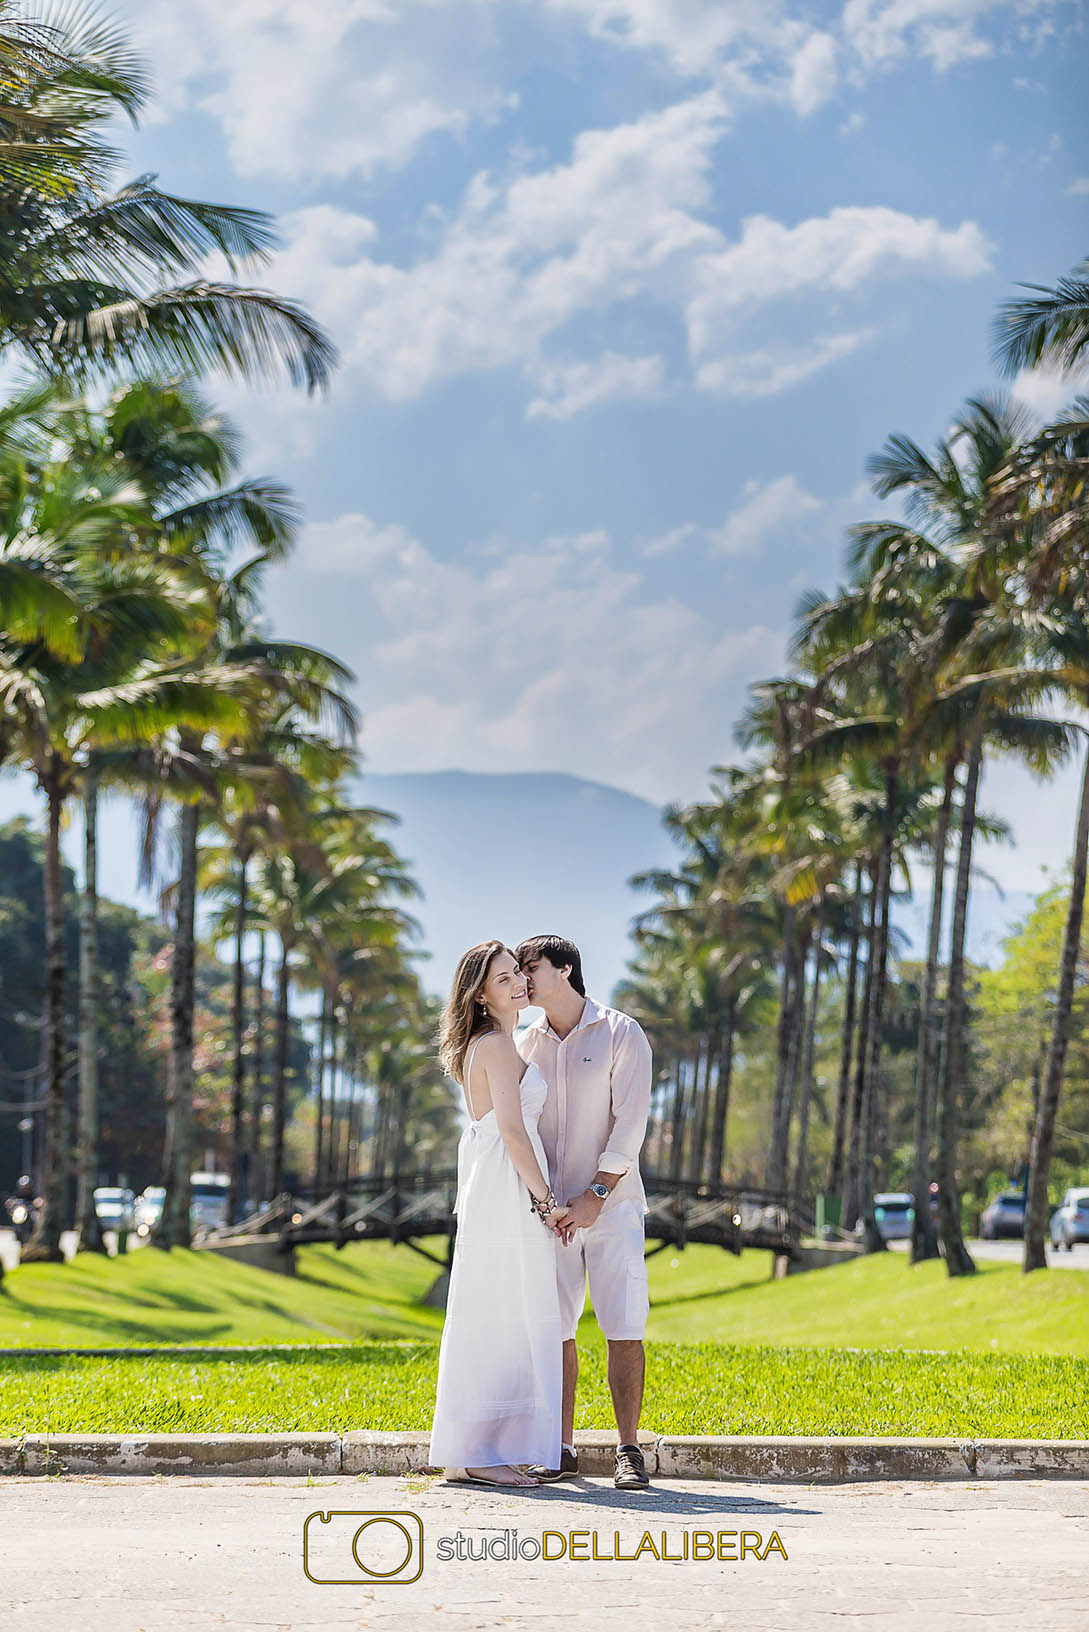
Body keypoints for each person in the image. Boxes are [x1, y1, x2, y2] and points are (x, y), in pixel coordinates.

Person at [429, 940, 572, 1487]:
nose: (518, 983)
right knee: (497, 1310)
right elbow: (511, 1131)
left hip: (504, 1182)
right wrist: (547, 1202)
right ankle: (478, 1452)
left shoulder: (504, 1044)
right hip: (506, 1186)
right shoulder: (493, 1045)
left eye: (518, 973)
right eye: (504, 978)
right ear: (481, 996)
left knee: (508, 1309)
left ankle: (484, 1448)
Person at [514, 933, 654, 1491]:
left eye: (531, 967)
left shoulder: (621, 1032)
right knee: (556, 1329)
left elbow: (632, 1122)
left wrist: (594, 1196)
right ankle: (560, 1447)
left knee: (623, 1323)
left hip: (613, 1207)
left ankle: (628, 1449)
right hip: (551, 1216)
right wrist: (550, 1204)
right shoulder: (525, 1044)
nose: (523, 977)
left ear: (565, 969)